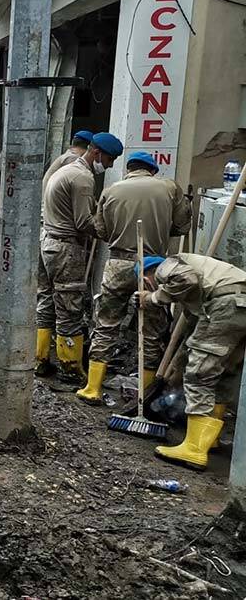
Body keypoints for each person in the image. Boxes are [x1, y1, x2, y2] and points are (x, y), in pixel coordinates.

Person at [75, 150, 192, 403]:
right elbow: (182, 226)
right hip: (153, 265)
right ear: (152, 170)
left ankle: (93, 387)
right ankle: (145, 394)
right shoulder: (169, 188)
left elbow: (101, 231)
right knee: (151, 329)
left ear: (129, 169)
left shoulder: (111, 190)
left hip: (117, 263)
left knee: (106, 323)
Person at [137, 254, 246, 470]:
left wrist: (152, 299)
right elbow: (191, 336)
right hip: (239, 305)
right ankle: (209, 440)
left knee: (200, 373)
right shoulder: (202, 281)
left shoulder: (167, 266)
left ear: (147, 278)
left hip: (226, 303)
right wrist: (177, 367)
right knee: (224, 372)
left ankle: (195, 449)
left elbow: (187, 280)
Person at [35, 132, 124, 383]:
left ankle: (40, 359)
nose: (110, 165)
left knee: (47, 302)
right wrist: (109, 233)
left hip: (48, 242)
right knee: (69, 308)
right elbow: (83, 221)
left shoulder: (66, 169)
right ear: (96, 152)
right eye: (109, 159)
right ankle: (70, 367)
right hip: (65, 248)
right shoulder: (83, 178)